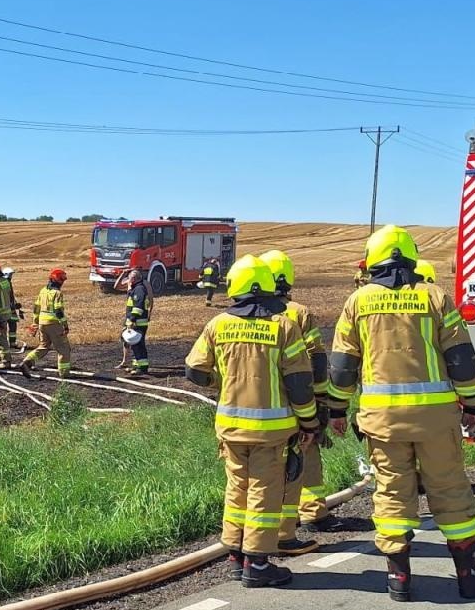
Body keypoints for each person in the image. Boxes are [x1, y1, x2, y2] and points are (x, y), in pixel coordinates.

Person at [328, 225, 475, 602]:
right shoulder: (435, 297)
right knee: (450, 489)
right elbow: (461, 360)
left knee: (391, 493)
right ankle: (468, 574)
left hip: (382, 422)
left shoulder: (359, 302)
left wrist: (337, 409)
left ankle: (398, 578)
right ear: (412, 258)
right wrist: (472, 404)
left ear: (373, 260)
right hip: (436, 421)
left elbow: (342, 367)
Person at [186, 255, 322, 588]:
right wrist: (309, 423)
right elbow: (300, 385)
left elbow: (194, 370)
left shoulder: (218, 325)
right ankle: (257, 564)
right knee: (264, 492)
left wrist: (223, 383)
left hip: (230, 429)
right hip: (272, 433)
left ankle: (235, 555)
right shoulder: (284, 327)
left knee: (237, 489)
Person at [259, 249, 328, 552]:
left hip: (263, 402)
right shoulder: (299, 313)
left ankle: (263, 529)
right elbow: (317, 360)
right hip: (298, 398)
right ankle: (311, 512)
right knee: (305, 456)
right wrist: (321, 400)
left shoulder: (247, 316)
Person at [20, 267, 73, 378]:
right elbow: (58, 310)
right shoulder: (57, 293)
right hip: (54, 324)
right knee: (63, 349)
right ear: (58, 281)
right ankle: (64, 374)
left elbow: (36, 308)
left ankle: (27, 362)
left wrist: (35, 322)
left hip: (42, 323)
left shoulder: (43, 291)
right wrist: (65, 325)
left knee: (44, 346)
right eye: (62, 280)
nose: (62, 282)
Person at [0, 260, 21, 366]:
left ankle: (6, 361)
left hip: (0, 314)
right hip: (6, 312)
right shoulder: (5, 281)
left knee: (0, 335)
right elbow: (10, 296)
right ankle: (1, 353)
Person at [122, 267, 153, 374]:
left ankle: (142, 368)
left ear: (134, 279)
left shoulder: (139, 289)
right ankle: (136, 366)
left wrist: (131, 319)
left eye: (129, 278)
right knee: (135, 345)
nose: (128, 280)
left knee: (139, 345)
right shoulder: (136, 289)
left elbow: (138, 307)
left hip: (138, 322)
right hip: (137, 322)